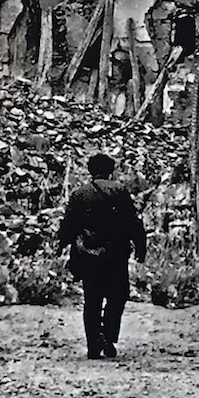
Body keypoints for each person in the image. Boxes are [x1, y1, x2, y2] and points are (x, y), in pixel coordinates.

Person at [58, 153, 147, 359]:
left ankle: (93, 345)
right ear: (111, 170)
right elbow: (132, 221)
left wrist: (63, 244)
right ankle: (107, 333)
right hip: (116, 254)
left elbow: (69, 224)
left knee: (92, 299)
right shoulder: (119, 191)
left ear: (90, 170)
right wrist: (140, 247)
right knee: (118, 296)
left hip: (88, 255)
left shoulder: (80, 193)